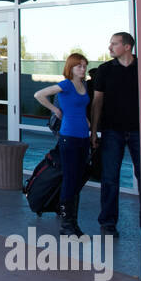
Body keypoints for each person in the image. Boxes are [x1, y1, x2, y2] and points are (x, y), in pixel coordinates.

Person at [34, 54, 93, 236]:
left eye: (84, 66)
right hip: (69, 138)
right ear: (70, 68)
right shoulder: (66, 84)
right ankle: (66, 224)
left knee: (78, 179)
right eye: (78, 66)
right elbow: (39, 94)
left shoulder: (84, 85)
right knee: (70, 178)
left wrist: (87, 122)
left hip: (83, 136)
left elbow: (80, 107)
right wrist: (55, 110)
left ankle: (73, 222)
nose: (82, 69)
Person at [89, 32, 140, 237]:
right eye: (110, 44)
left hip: (139, 132)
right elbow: (97, 102)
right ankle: (108, 223)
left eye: (114, 44)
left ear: (127, 47)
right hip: (111, 132)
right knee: (109, 178)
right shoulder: (104, 70)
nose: (110, 47)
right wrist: (94, 131)